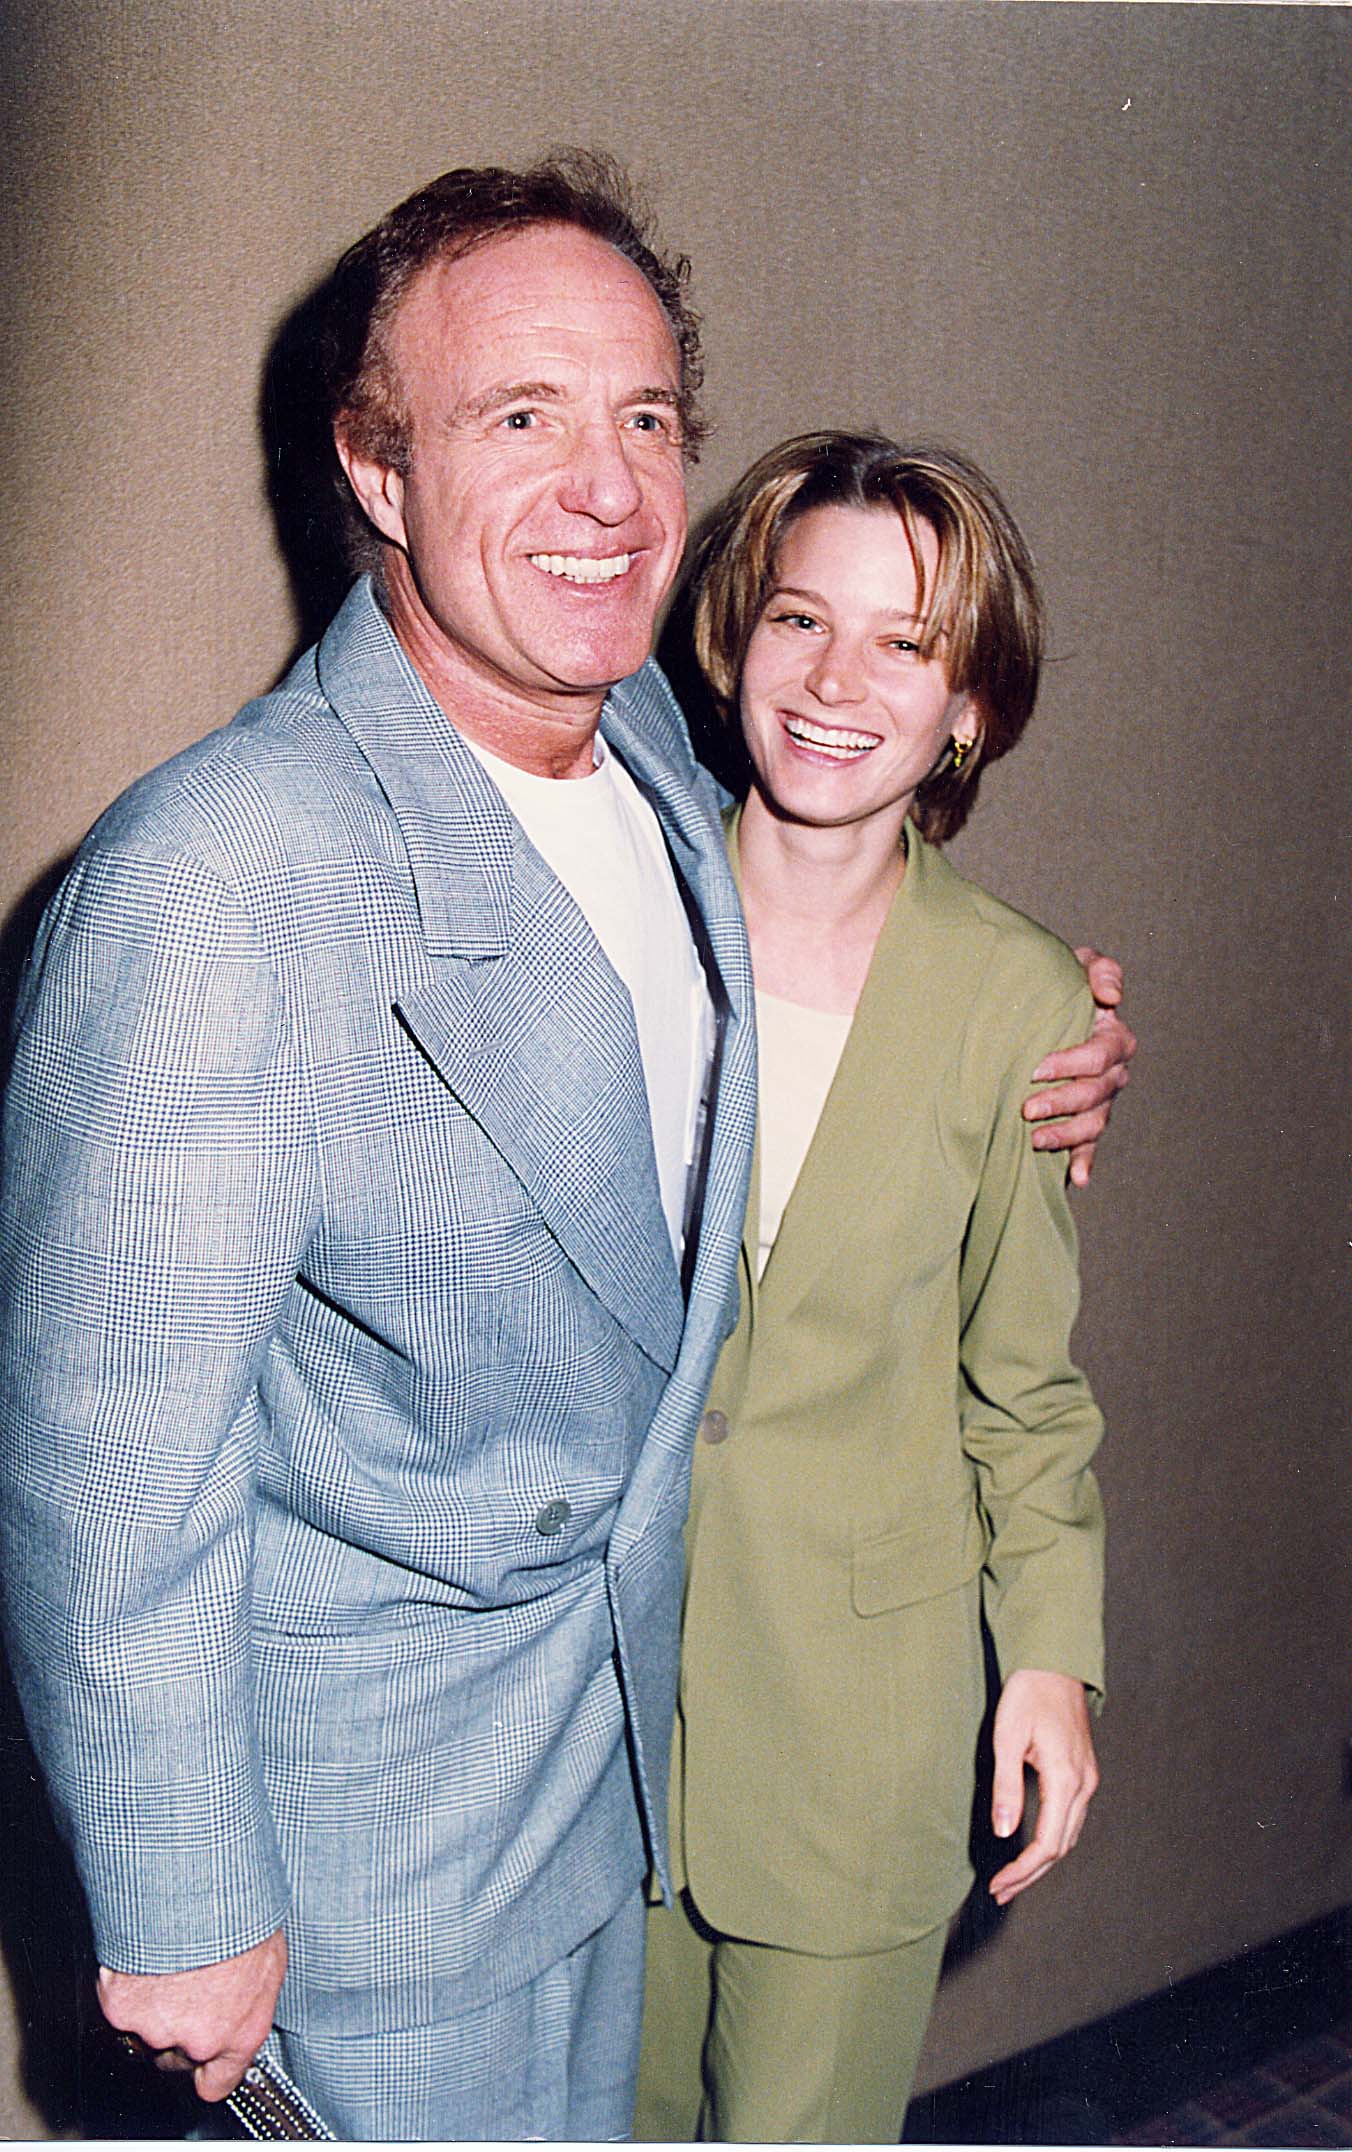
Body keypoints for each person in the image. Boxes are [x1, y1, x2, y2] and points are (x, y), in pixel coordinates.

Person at [0, 159, 1129, 2139]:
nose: (603, 485)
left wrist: (1060, 1024)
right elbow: (103, 1457)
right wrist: (182, 1892)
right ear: (372, 468)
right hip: (364, 1883)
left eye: (642, 420)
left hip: (620, 1796)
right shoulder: (219, 880)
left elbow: (830, 998)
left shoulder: (660, 779)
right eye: (520, 418)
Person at [634, 432, 1113, 2144]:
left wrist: (1050, 1660)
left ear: (970, 703)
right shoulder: (612, 912)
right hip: (592, 1734)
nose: (836, 682)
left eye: (906, 642)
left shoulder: (1023, 1006)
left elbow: (1025, 1387)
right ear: (734, 643)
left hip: (854, 1734)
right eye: (796, 621)